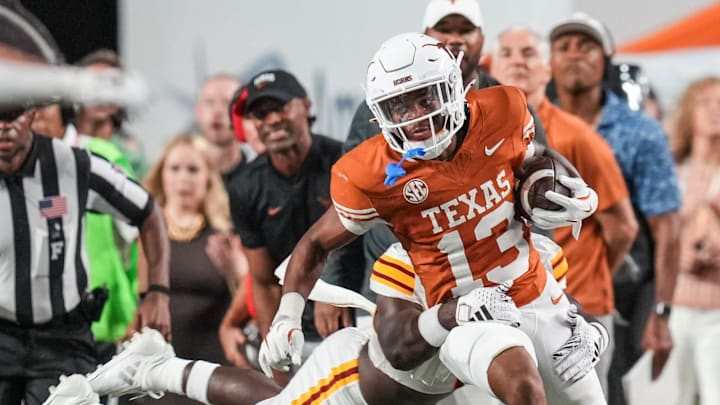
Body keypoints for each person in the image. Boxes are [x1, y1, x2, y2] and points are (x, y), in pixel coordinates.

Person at [262, 32, 607, 404]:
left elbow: (537, 157)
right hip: (467, 312)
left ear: (454, 88)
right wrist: (287, 314)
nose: (416, 117)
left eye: (425, 97)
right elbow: (316, 243)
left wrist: (579, 189)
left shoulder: (502, 111)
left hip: (536, 296)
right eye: (400, 107)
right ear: (381, 114)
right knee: (523, 388)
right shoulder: (370, 172)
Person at [47, 237, 560, 405]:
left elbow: (556, 344)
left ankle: (156, 366)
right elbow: (401, 348)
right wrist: (453, 313)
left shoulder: (544, 257)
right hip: (361, 380)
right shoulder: (412, 254)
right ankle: (153, 370)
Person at [0, 7, 171, 405]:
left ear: (33, 112)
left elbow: (147, 211)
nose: (3, 127)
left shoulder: (75, 165)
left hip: (63, 335)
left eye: (12, 115)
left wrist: (157, 291)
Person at [489, 26, 638, 395]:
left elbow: (622, 227)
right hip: (516, 307)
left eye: (528, 53)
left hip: (579, 309)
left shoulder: (577, 136)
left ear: (547, 69)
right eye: (507, 53)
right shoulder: (478, 139)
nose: (518, 61)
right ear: (491, 66)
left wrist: (583, 276)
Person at [548, 12, 682, 403]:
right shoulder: (532, 122)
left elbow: (667, 229)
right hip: (550, 280)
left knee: (605, 384)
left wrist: (661, 310)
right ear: (550, 60)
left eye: (586, 46)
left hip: (627, 284)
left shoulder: (641, 132)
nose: (575, 55)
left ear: (605, 57)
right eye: (564, 47)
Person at [220, 69, 361, 375]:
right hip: (296, 331)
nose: (271, 120)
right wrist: (277, 350)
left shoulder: (345, 161)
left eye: (280, 107)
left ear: (306, 106)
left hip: (356, 327)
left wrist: (332, 288)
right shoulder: (245, 187)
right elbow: (263, 280)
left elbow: (367, 240)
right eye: (261, 114)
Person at [132, 133, 248, 404]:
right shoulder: (146, 233)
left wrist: (234, 271)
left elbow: (249, 301)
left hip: (211, 371)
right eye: (175, 169)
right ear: (162, 174)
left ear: (208, 177)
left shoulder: (225, 237)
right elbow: (137, 300)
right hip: (156, 372)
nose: (184, 178)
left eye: (193, 169)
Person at [657, 76, 720, 404]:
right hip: (674, 307)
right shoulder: (672, 171)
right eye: (705, 102)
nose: (714, 110)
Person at [75, 49, 150, 179]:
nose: (102, 95)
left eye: (111, 86)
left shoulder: (134, 160)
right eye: (94, 84)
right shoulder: (61, 147)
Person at [194, 74, 258, 186]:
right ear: (198, 111)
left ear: (244, 112)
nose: (217, 112)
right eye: (209, 102)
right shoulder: (179, 177)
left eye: (227, 103)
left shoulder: (261, 177)